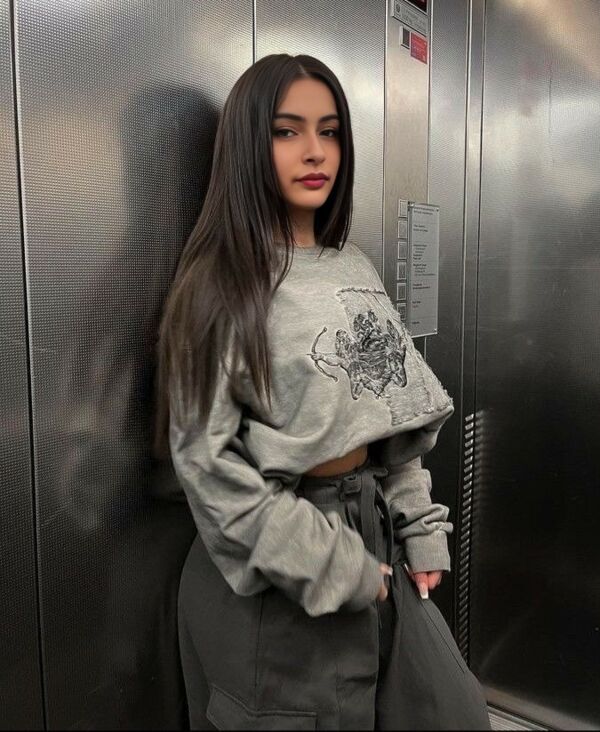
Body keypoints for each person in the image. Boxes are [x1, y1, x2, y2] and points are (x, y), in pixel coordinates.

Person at [154, 53, 491, 730]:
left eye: (330, 131)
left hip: (374, 537)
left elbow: (390, 416)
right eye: (287, 131)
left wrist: (418, 527)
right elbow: (206, 465)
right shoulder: (219, 285)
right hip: (279, 561)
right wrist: (332, 563)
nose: (315, 151)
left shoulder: (352, 265)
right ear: (249, 146)